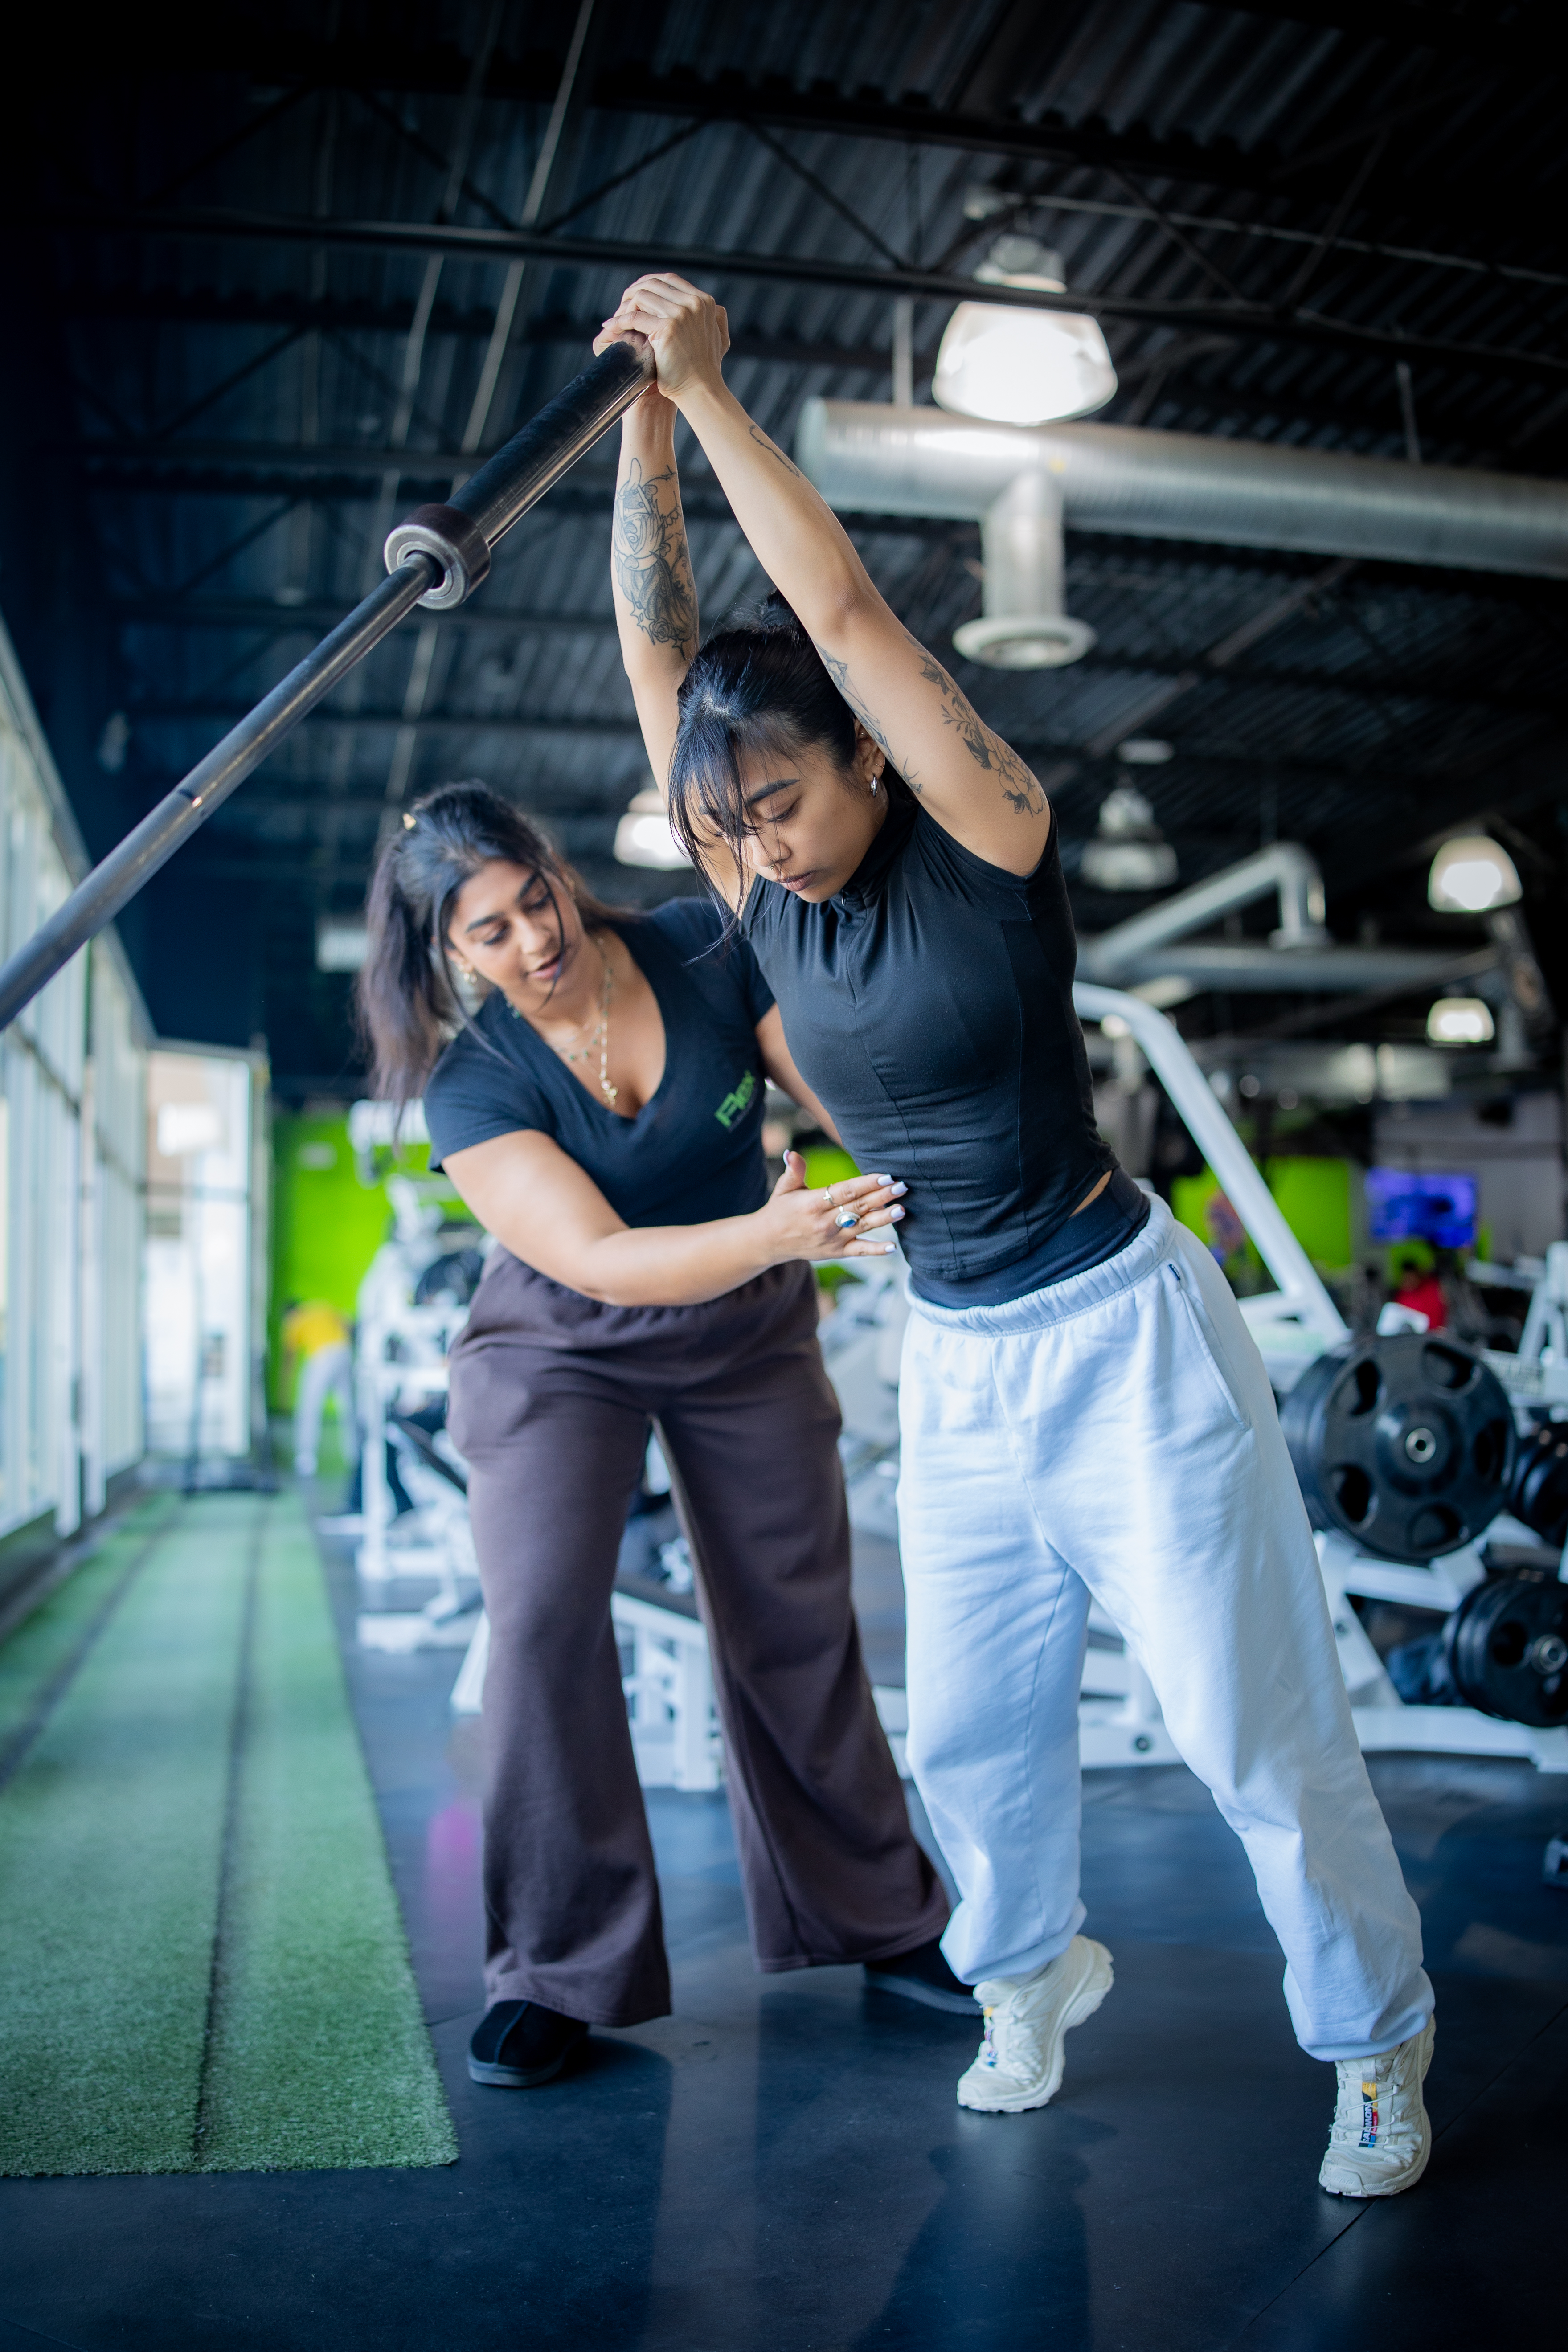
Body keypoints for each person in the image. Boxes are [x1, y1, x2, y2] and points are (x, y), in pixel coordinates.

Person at [599, 273, 1436, 2198]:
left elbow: (834, 616)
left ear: (867, 763)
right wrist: (636, 419)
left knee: (1246, 1724)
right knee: (969, 1728)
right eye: (733, 815)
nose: (761, 839)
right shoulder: (750, 868)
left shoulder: (981, 826)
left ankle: (1372, 2041)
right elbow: (663, 649)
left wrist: (715, 390)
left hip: (1121, 1324)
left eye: (785, 798)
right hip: (961, 1354)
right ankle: (1027, 1965)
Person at [356, 781, 962, 2092]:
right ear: (449, 955)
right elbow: (600, 1257)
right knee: (539, 1622)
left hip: (745, 1328)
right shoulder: (474, 1088)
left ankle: (880, 1915)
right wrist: (781, 1231)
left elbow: (829, 1081)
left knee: (794, 1609)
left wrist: (925, 1178)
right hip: (562, 1342)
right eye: (491, 933)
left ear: (559, 871)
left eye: (537, 897)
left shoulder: (698, 942)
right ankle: (555, 1969)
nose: (534, 939)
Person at [279, 1298, 357, 1480]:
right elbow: (349, 1323)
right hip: (345, 1351)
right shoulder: (322, 1308)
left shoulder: (294, 1320)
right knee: (348, 1406)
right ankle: (354, 1453)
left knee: (309, 1407)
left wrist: (285, 1385)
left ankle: (306, 1458)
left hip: (322, 1356)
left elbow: (289, 1357)